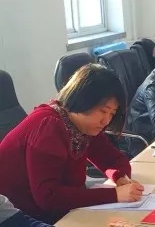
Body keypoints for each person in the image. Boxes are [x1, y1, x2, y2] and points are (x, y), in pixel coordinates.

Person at [0, 65, 144, 224]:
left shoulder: (82, 125)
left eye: (112, 113)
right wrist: (115, 195)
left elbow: (111, 158)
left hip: (61, 210)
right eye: (103, 111)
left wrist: (121, 177)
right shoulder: (49, 127)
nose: (106, 121)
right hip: (22, 216)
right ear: (83, 100)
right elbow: (49, 197)